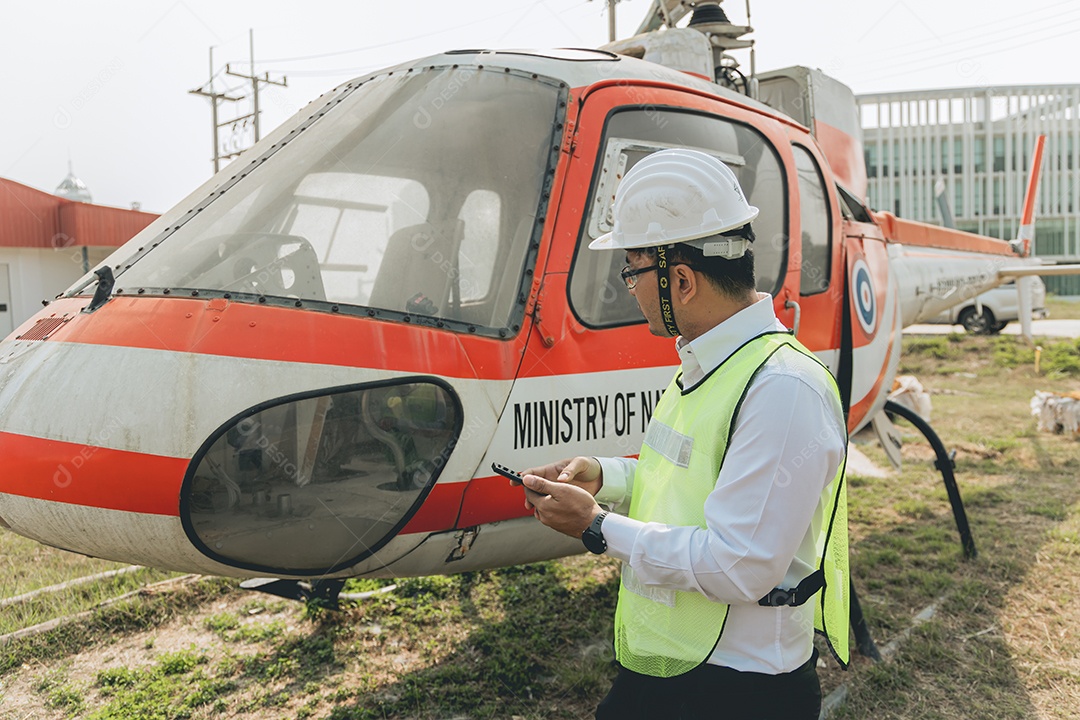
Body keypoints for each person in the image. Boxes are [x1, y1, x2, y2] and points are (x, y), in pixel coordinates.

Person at [519, 149, 850, 720]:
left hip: (740, 690)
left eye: (632, 271)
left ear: (682, 280)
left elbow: (738, 565)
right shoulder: (711, 364)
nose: (629, 288)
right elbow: (688, 473)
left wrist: (597, 526)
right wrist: (604, 475)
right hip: (677, 667)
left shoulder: (783, 389)